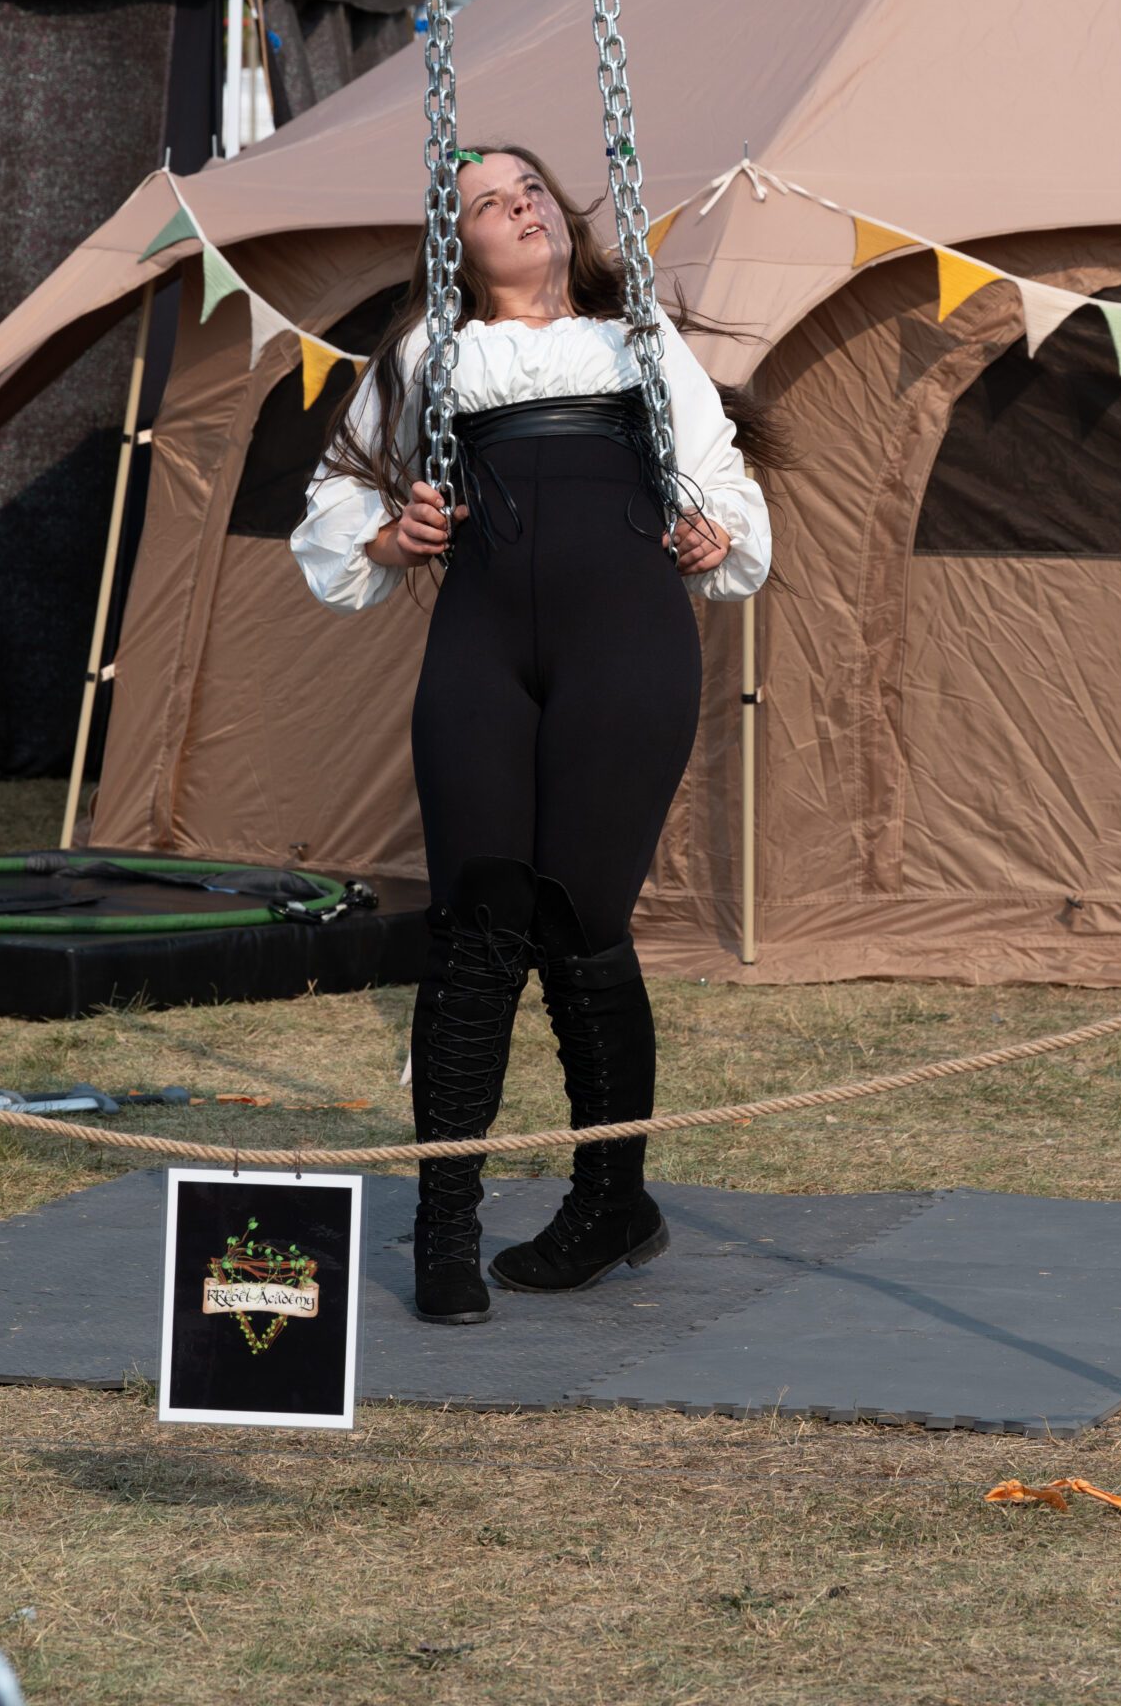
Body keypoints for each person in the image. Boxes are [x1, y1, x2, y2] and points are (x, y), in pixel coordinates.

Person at [292, 145, 773, 1325]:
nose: (519, 206)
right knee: (474, 922)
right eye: (487, 201)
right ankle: (444, 1228)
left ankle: (611, 1204)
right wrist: (392, 536)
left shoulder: (638, 343)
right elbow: (337, 503)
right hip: (483, 654)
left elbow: (723, 489)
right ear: (454, 245)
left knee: (577, 921)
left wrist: (715, 534)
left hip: (628, 653)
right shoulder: (427, 352)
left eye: (529, 189)